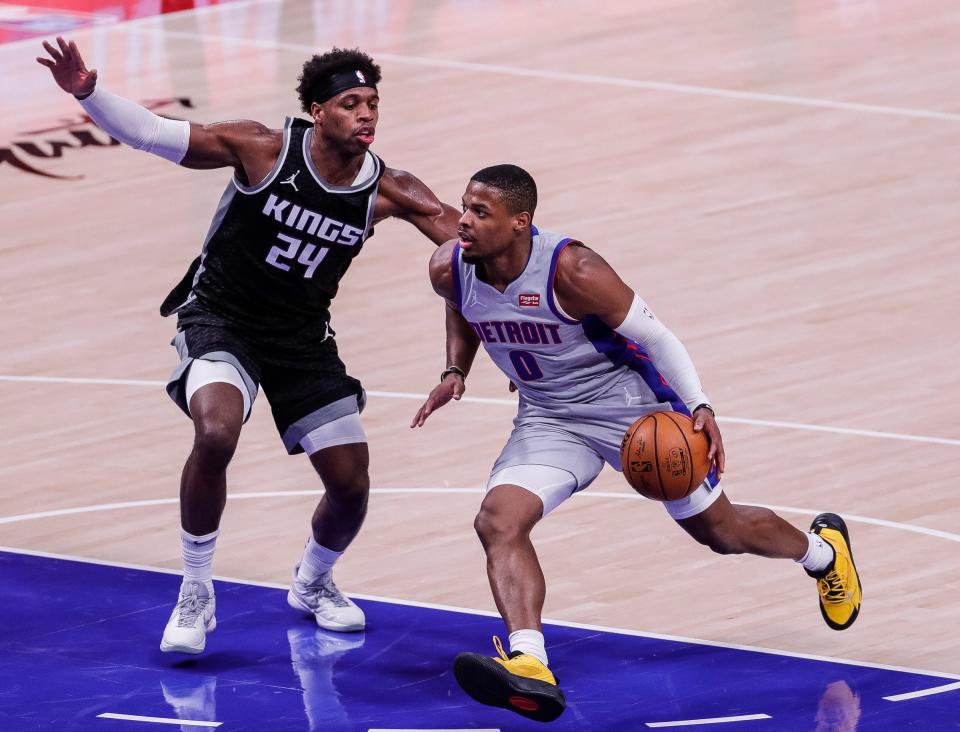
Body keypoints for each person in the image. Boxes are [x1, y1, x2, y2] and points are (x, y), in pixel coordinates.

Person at [38, 37, 460, 655]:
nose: (366, 114)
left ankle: (312, 584)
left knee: (351, 483)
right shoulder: (263, 149)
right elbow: (156, 134)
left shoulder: (390, 189)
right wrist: (87, 92)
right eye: (350, 103)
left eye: (372, 102)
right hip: (221, 319)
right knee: (216, 432)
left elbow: (469, 244)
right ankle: (196, 592)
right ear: (319, 111)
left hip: (301, 340)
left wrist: (552, 267)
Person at [411, 164, 862, 722]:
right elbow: (462, 307)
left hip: (631, 410)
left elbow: (656, 336)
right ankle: (529, 663)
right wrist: (456, 367)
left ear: (521, 222)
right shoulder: (450, 267)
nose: (465, 223)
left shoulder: (573, 270)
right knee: (497, 521)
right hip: (549, 416)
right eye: (465, 207)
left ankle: (821, 554)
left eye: (481, 213)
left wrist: (699, 406)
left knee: (720, 532)